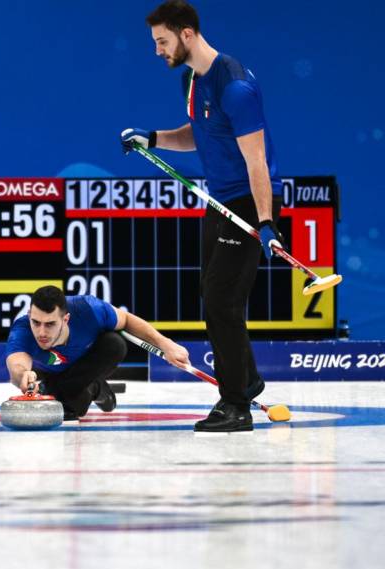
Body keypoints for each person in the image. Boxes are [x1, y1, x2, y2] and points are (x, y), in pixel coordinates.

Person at [120, 0, 285, 432]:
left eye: (162, 41)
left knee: (221, 301)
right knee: (213, 295)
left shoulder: (236, 87)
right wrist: (153, 138)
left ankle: (236, 406)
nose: (157, 50)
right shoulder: (191, 80)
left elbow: (256, 161)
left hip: (249, 201)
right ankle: (247, 380)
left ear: (187, 34)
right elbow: (200, 134)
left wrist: (266, 221)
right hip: (221, 201)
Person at [5, 286, 190, 421]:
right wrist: (23, 375)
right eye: (36, 322)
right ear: (29, 315)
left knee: (115, 344)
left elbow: (126, 320)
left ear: (66, 319)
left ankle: (70, 388)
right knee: (75, 406)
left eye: (50, 324)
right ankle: (95, 388)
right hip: (49, 373)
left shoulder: (89, 309)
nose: (41, 332)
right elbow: (17, 365)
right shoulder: (22, 329)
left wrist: (166, 344)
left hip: (83, 365)